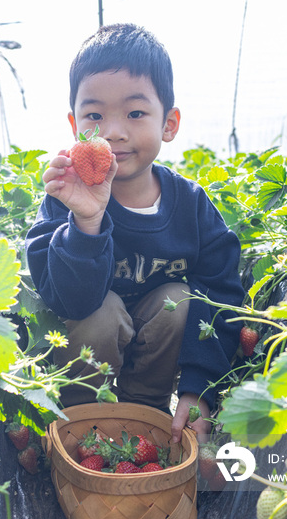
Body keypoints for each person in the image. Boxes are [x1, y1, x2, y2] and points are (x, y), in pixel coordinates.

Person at [25, 23, 244, 443]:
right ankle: (79, 425)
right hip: (84, 374)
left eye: (135, 113)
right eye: (94, 115)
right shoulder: (65, 200)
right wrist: (86, 223)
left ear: (169, 123)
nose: (113, 131)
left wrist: (199, 388)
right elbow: (66, 300)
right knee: (99, 312)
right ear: (75, 124)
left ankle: (146, 416)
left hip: (155, 365)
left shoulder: (191, 206)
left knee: (179, 300)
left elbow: (221, 292)